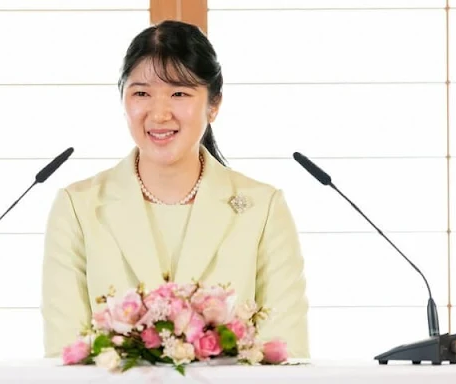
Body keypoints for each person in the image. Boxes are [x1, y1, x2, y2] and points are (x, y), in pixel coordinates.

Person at [41, 20, 309, 359]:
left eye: (179, 93)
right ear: (122, 101)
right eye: (141, 93)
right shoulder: (78, 208)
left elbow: (287, 354)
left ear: (214, 104)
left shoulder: (263, 207)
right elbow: (66, 355)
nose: (159, 112)